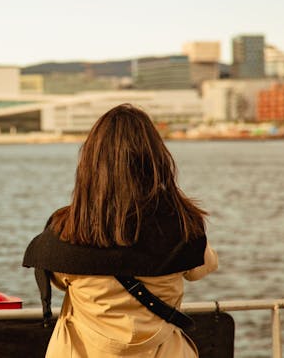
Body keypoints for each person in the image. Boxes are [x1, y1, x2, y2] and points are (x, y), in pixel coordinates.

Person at [23, 103, 218, 357]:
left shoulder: (69, 227)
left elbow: (58, 280)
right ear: (156, 162)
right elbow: (202, 268)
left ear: (91, 165)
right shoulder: (181, 224)